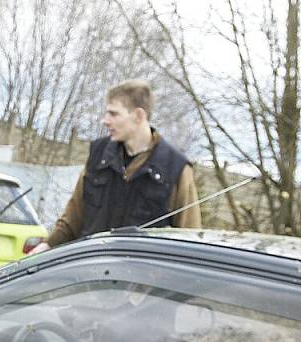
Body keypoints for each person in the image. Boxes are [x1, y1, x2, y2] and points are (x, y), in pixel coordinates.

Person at [29, 79, 201, 254]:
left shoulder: (175, 169)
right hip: (89, 270)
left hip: (142, 278)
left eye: (114, 114)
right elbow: (73, 217)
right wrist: (47, 246)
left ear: (138, 116)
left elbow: (189, 238)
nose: (105, 121)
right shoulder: (98, 156)